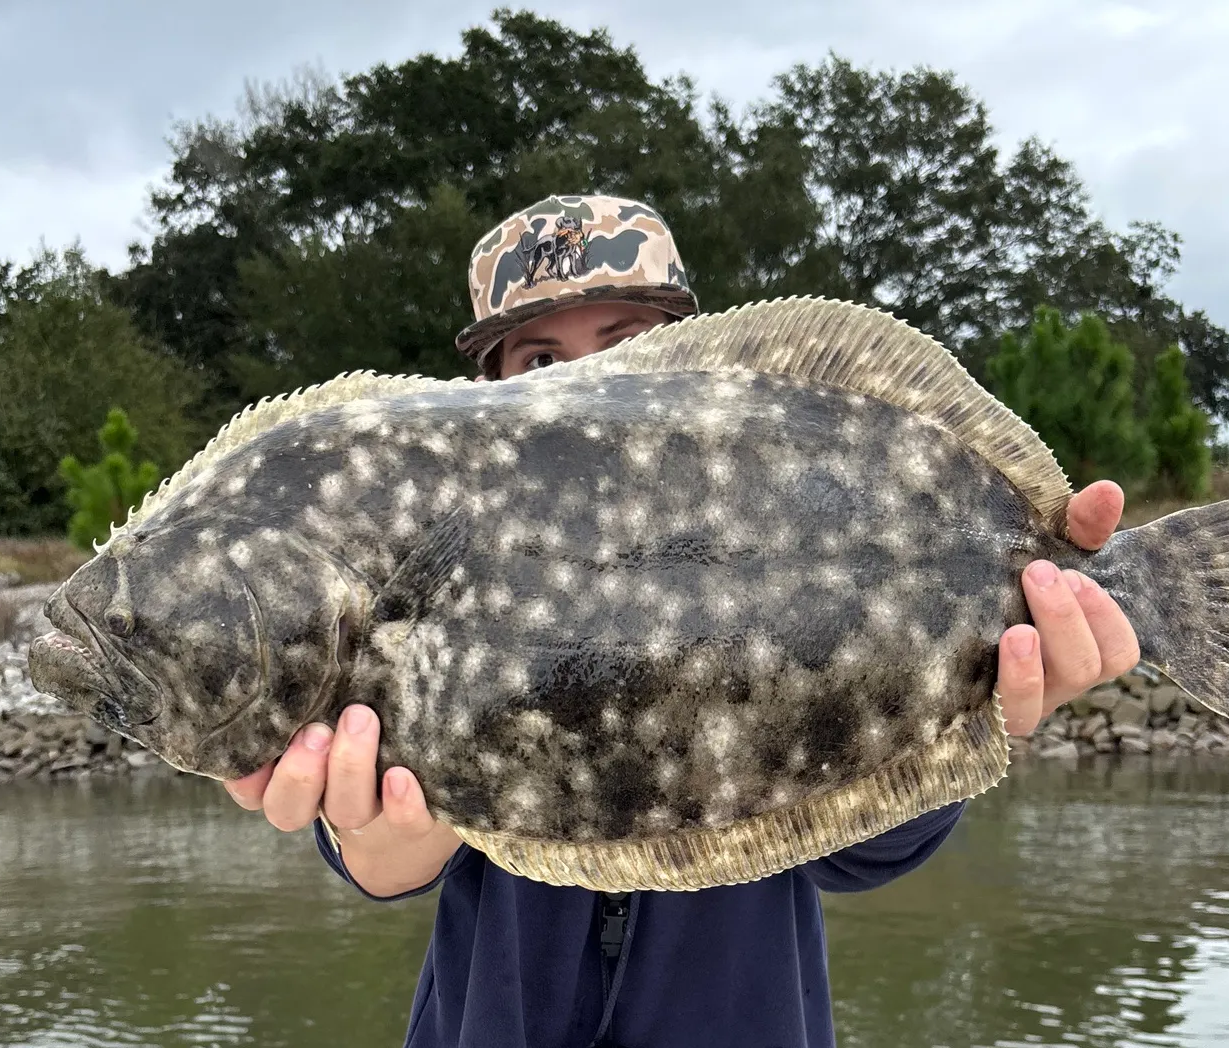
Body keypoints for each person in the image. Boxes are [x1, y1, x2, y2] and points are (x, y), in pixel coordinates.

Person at [224, 195, 1142, 1047]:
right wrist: (382, 827)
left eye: (626, 342)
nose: (590, 384)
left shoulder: (794, 532)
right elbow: (389, 865)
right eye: (540, 361)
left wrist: (977, 710)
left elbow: (861, 855)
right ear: (488, 396)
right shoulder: (415, 575)